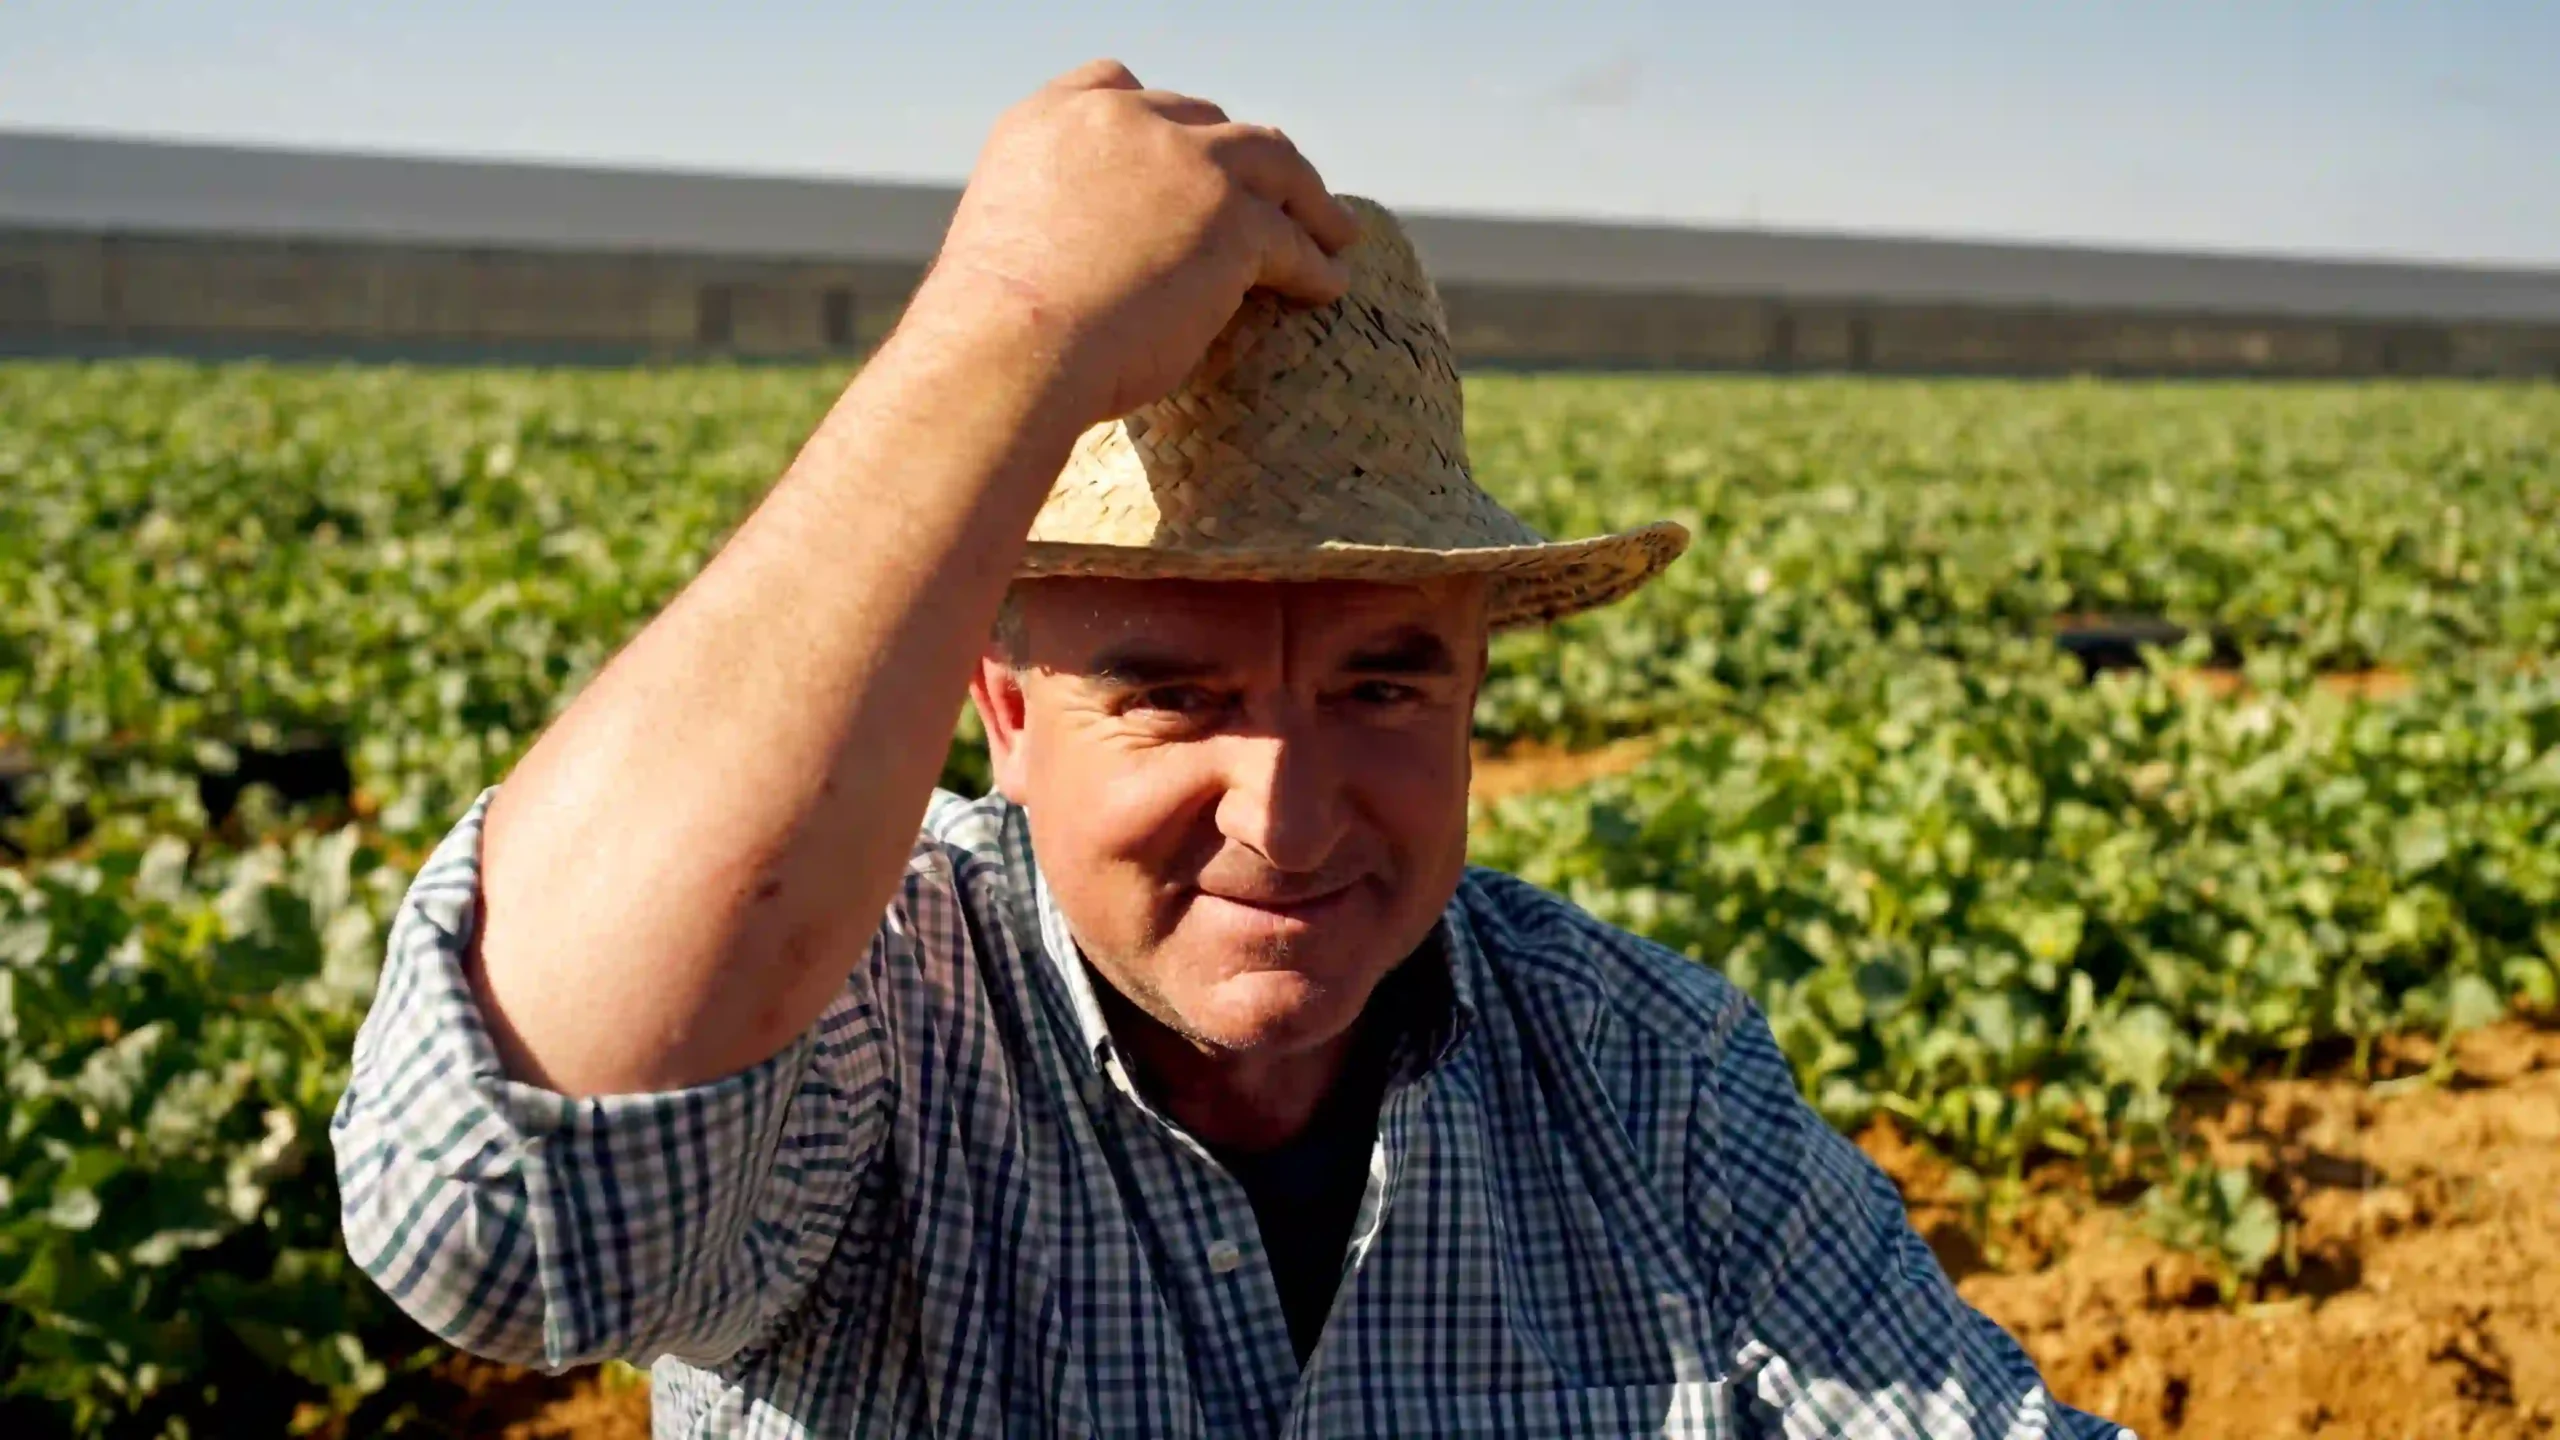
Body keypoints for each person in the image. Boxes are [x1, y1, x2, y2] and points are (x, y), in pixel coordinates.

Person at [332, 59, 2131, 1439]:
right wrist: (1004, 331)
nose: (1284, 815)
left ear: (1479, 699)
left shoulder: (1645, 1082)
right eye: (1174, 693)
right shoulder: (874, 1035)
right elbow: (499, 1224)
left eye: (1382, 686)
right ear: (1010, 712)